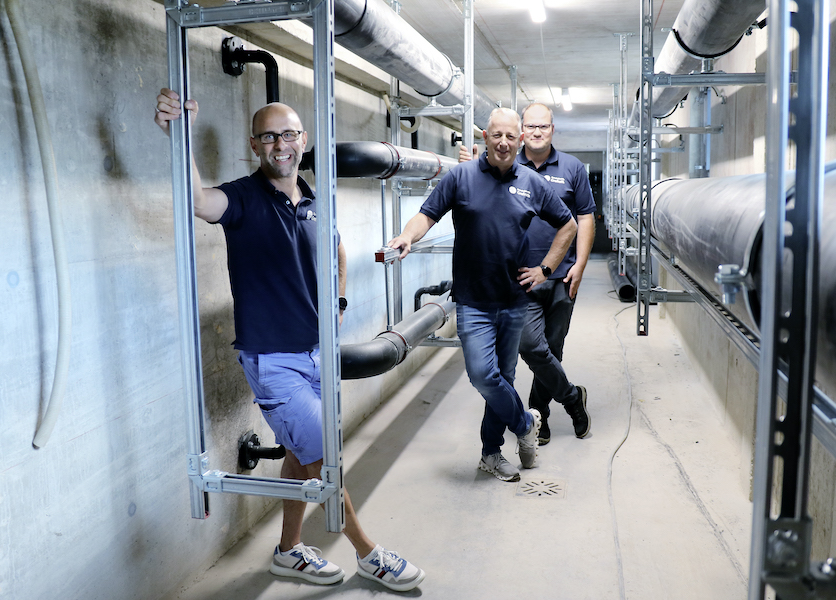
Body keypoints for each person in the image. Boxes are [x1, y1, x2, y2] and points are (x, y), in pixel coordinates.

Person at [154, 89, 424, 592]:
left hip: (318, 352)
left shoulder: (317, 201)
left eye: (290, 134)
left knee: (302, 454)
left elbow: (339, 253)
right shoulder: (242, 198)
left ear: (303, 140)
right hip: (274, 359)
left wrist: (337, 307)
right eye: (269, 135)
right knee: (324, 456)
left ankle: (287, 553)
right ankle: (370, 555)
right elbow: (197, 200)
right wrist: (179, 135)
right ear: (254, 145)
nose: (281, 143)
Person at [388, 107, 577, 482]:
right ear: (485, 139)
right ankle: (525, 423)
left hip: (514, 300)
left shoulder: (533, 183)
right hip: (474, 300)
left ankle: (491, 454)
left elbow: (568, 225)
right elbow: (427, 214)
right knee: (482, 375)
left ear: (519, 140)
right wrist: (407, 235)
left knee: (503, 377)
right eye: (496, 136)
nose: (504, 143)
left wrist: (544, 270)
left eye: (510, 136)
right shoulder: (460, 177)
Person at [459, 102, 594, 446]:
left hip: (561, 275)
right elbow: (476, 182)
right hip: (519, 279)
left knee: (553, 348)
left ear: (552, 130)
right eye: (531, 126)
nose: (536, 132)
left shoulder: (572, 168)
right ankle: (570, 398)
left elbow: (584, 218)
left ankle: (539, 412)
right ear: (522, 134)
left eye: (543, 127)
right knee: (533, 348)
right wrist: (469, 165)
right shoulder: (505, 162)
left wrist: (579, 264)